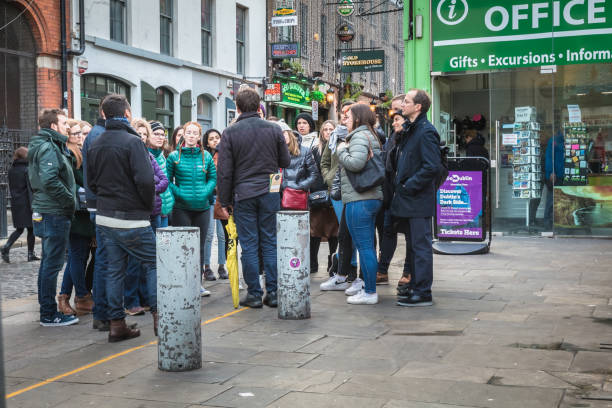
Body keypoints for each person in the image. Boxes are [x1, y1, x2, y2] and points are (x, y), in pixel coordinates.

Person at [87, 94, 157, 342]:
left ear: (104, 115)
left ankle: (116, 324)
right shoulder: (133, 142)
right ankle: (161, 318)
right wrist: (146, 205)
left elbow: (91, 182)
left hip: (106, 217)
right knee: (155, 263)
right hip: (132, 217)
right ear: (127, 113)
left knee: (114, 270)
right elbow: (146, 180)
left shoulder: (95, 142)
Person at [217, 87, 291, 308]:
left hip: (243, 194)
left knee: (249, 245)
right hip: (270, 192)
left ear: (237, 108)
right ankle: (274, 293)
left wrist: (225, 200)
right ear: (259, 106)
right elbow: (285, 161)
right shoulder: (274, 129)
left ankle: (254, 294)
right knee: (270, 242)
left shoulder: (230, 132)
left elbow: (224, 171)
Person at [390, 89, 441, 307]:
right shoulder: (411, 130)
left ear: (418, 106)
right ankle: (414, 286)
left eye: (407, 102)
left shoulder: (426, 131)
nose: (403, 105)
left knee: (421, 246)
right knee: (412, 246)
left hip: (418, 199)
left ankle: (423, 291)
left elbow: (432, 166)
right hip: (408, 199)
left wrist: (410, 186)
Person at [28, 108, 78, 327]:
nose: (67, 126)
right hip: (54, 212)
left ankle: (46, 311)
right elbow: (49, 180)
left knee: (48, 263)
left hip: (49, 211)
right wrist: (69, 200)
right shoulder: (49, 147)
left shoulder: (49, 145)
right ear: (53, 126)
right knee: (52, 265)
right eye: (64, 123)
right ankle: (49, 314)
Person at [335, 103, 384, 305]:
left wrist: (341, 151)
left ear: (357, 118)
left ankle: (370, 292)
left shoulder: (357, 137)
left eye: (348, 116)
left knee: (364, 247)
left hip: (360, 199)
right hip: (368, 198)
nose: (345, 120)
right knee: (366, 246)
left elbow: (355, 163)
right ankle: (366, 287)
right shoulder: (369, 135)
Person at [124, 118, 169, 316]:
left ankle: (148, 298)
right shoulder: (130, 155)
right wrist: (151, 185)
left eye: (144, 134)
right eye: (138, 133)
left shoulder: (150, 156)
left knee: (152, 260)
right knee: (135, 261)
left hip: (154, 212)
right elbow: (134, 183)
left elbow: (164, 180)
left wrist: (149, 188)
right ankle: (131, 300)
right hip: (137, 214)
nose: (142, 137)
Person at [166, 121, 217, 293]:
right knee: (183, 246)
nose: (191, 136)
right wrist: (179, 193)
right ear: (183, 135)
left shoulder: (207, 157)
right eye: (188, 132)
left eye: (195, 133)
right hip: (181, 208)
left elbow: (213, 178)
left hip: (202, 208)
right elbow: (167, 180)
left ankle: (196, 283)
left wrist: (205, 191)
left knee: (200, 246)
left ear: (199, 137)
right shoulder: (174, 156)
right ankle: (182, 282)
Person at [57, 119, 95, 316]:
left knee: (77, 257)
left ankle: (67, 296)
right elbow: (76, 183)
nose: (80, 136)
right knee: (76, 257)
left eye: (82, 132)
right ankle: (80, 296)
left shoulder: (79, 152)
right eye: (76, 133)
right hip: (77, 214)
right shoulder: (70, 154)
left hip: (84, 214)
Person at [320, 101, 359, 291]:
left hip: (355, 190)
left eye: (347, 112)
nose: (344, 116)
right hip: (336, 191)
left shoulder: (357, 136)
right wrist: (329, 179)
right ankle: (347, 267)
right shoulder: (334, 137)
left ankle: (350, 267)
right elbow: (325, 162)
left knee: (352, 230)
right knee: (344, 232)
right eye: (342, 112)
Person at [82, 102, 111, 331]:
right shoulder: (100, 135)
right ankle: (103, 314)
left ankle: (104, 313)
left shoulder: (97, 134)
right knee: (105, 261)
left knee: (105, 260)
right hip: (102, 206)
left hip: (98, 204)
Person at [377, 94, 406, 285]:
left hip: (401, 193)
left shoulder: (411, 134)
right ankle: (382, 269)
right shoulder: (393, 136)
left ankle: (402, 272)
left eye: (398, 111)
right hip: (387, 193)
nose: (394, 115)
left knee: (397, 232)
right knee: (386, 230)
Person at [309, 120, 339, 274]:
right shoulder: (315, 149)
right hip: (318, 196)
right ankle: (312, 264)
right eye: (325, 129)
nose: (328, 132)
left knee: (334, 232)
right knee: (314, 232)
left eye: (331, 129)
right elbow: (312, 172)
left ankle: (332, 264)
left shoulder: (339, 147)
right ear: (321, 132)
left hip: (334, 195)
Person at [1, 147, 39, 263]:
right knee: (31, 229)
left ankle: (8, 247)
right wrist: (34, 205)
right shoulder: (27, 169)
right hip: (27, 203)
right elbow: (29, 189)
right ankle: (29, 254)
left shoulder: (12, 169)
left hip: (16, 202)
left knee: (20, 229)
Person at [203, 128, 228, 281]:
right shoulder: (205, 156)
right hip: (210, 198)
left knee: (222, 235)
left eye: (217, 137)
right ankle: (206, 267)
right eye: (211, 138)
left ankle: (221, 265)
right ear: (207, 142)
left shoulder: (225, 155)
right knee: (209, 234)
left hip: (222, 199)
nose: (215, 140)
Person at [279, 122, 318, 202]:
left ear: (289, 133)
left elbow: (314, 173)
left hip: (298, 194)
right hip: (279, 195)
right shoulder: (275, 151)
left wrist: (301, 186)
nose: (281, 136)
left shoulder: (305, 151)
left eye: (283, 133)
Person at [148, 121, 174, 228]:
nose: (160, 137)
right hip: (153, 211)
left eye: (162, 134)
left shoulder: (162, 156)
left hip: (165, 210)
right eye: (156, 134)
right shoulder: (145, 155)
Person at [544, 131, 564, 229]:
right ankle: (547, 222)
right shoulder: (554, 141)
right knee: (551, 200)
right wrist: (551, 171)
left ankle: (556, 222)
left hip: (561, 175)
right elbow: (549, 157)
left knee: (558, 199)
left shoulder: (565, 141)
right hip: (554, 175)